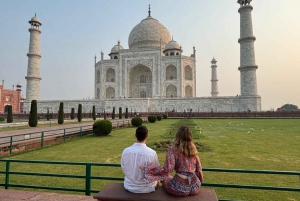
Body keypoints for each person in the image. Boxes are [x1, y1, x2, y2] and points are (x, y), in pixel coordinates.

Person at [140, 126, 204, 197]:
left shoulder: (173, 150)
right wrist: (199, 183)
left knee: (166, 178)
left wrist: (147, 168)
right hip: (194, 187)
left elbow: (167, 170)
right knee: (169, 177)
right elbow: (199, 169)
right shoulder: (193, 149)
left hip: (178, 189)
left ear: (177, 136)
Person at [121, 126, 159, 193]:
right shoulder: (152, 153)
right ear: (147, 136)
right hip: (147, 188)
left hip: (129, 186)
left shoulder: (126, 151)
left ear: (135, 135)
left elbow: (123, 168)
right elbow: (156, 171)